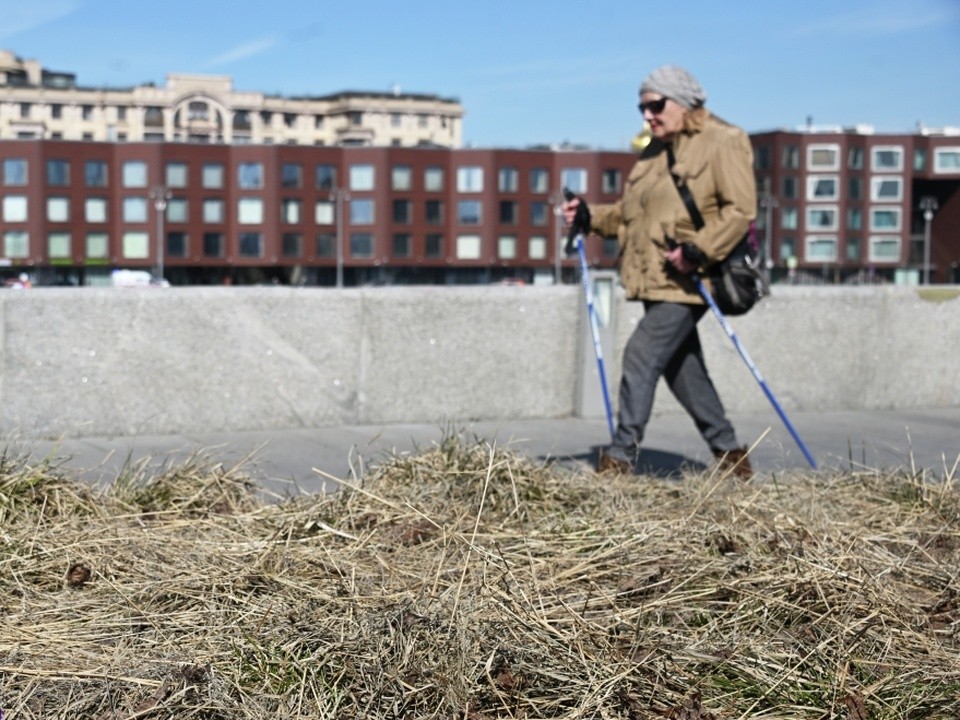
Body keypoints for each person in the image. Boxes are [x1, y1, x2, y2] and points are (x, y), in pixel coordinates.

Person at [563, 65, 756, 479]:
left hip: (691, 279)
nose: (647, 115)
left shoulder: (724, 141)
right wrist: (587, 215)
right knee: (682, 368)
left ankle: (619, 459)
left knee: (640, 355)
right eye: (642, 108)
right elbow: (628, 217)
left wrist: (697, 251)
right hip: (654, 279)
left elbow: (740, 212)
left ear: (682, 101)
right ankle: (731, 457)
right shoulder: (653, 152)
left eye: (654, 105)